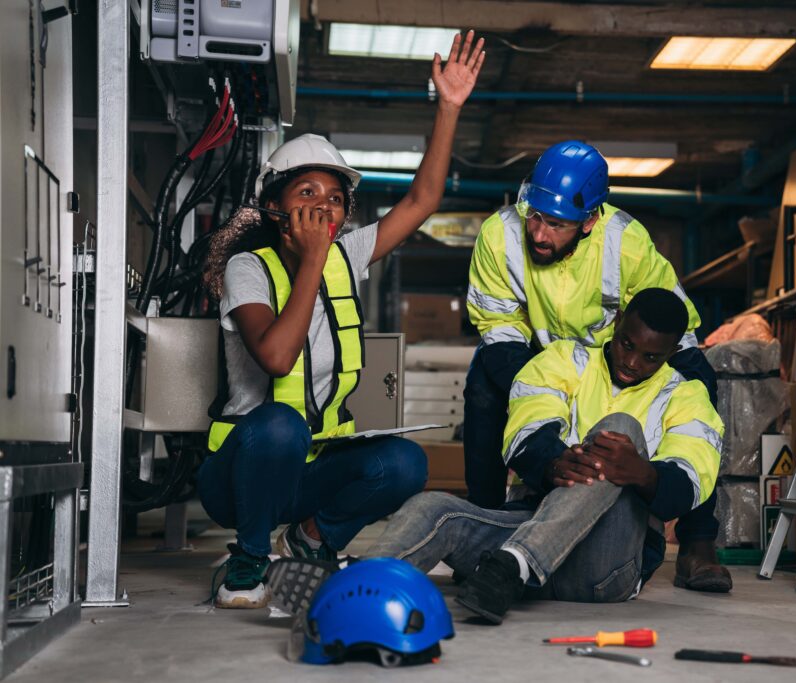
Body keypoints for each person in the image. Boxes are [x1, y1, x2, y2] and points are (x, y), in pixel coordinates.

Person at [198, 31, 485, 609]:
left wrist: (448, 107)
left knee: (404, 463)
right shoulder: (247, 270)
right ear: (275, 208)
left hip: (310, 471)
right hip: (242, 475)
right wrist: (309, 262)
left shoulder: (344, 255)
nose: (325, 207)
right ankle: (250, 558)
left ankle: (310, 542)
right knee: (281, 423)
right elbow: (278, 357)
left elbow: (421, 201)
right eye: (308, 192)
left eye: (334, 199)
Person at [463, 140, 731, 592]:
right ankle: (486, 520)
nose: (539, 235)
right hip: (538, 356)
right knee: (483, 389)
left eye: (556, 224)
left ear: (590, 220)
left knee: (701, 382)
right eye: (535, 216)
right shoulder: (498, 234)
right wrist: (543, 414)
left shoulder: (627, 241)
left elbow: (668, 321)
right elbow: (498, 324)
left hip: (611, 358)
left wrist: (676, 382)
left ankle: (697, 542)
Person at [368, 288, 723, 623]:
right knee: (432, 509)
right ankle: (359, 584)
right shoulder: (565, 360)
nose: (631, 362)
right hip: (517, 538)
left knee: (620, 429)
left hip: (602, 568)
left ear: (673, 352)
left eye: (650, 357)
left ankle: (517, 563)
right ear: (616, 324)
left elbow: (691, 481)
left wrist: (642, 473)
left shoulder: (687, 397)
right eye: (626, 344)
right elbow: (527, 422)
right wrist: (552, 461)